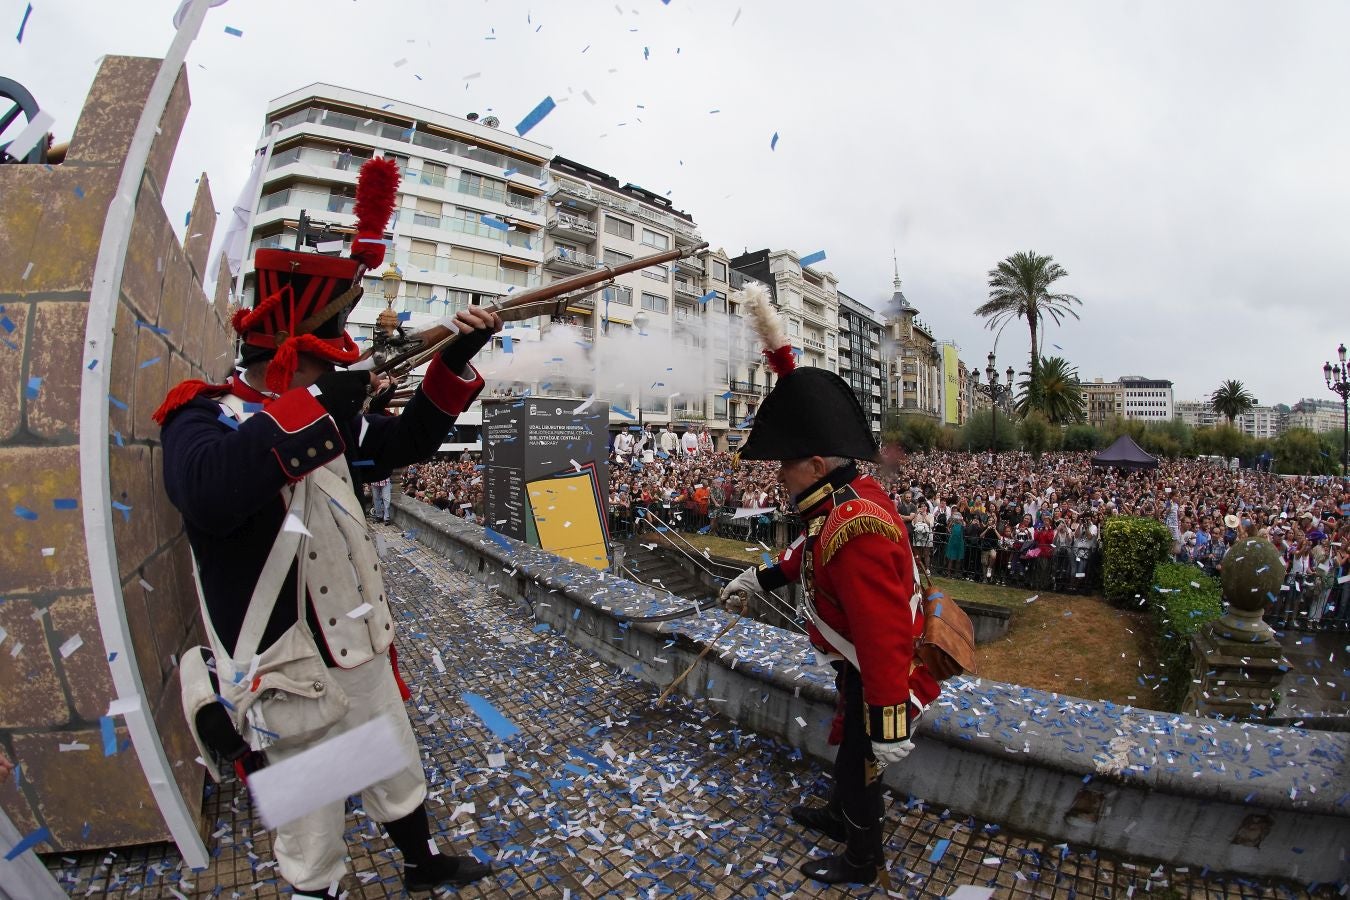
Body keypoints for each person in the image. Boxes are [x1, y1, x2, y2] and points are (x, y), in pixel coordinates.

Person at [154, 158, 498, 898]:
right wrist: (321, 403)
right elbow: (212, 494)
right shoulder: (199, 415)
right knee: (309, 834)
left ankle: (421, 862)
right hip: (284, 663)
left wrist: (454, 362)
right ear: (288, 355)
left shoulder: (321, 413)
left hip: (357, 643)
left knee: (393, 765)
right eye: (323, 359)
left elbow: (401, 445)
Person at [717, 353, 938, 886]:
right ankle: (840, 818)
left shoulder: (854, 523)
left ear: (817, 465)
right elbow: (809, 552)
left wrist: (889, 719)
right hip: (855, 666)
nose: (778, 473)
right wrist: (760, 579)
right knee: (848, 755)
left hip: (876, 669)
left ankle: (863, 860)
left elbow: (880, 630)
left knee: (865, 765)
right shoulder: (843, 501)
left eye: (787, 462)